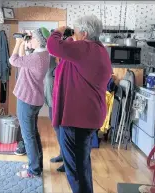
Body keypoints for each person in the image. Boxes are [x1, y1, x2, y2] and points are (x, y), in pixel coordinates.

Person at [47, 15, 112, 193]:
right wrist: (69, 37)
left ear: (84, 34)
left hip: (78, 119)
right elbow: (68, 51)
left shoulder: (85, 48)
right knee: (81, 165)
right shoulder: (96, 49)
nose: (73, 35)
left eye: (75, 32)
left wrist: (58, 31)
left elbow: (53, 46)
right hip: (87, 116)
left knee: (76, 170)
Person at [9, 27, 50, 178]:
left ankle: (33, 170)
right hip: (35, 99)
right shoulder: (44, 54)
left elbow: (13, 61)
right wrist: (25, 45)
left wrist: (18, 42)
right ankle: (37, 164)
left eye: (31, 37)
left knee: (28, 136)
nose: (29, 39)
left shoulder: (35, 58)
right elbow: (22, 62)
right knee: (33, 134)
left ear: (38, 40)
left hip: (27, 99)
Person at [44, 55, 65, 172]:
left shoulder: (64, 63)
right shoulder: (52, 60)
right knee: (57, 128)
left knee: (61, 129)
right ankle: (62, 154)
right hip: (51, 101)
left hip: (59, 102)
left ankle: (67, 161)